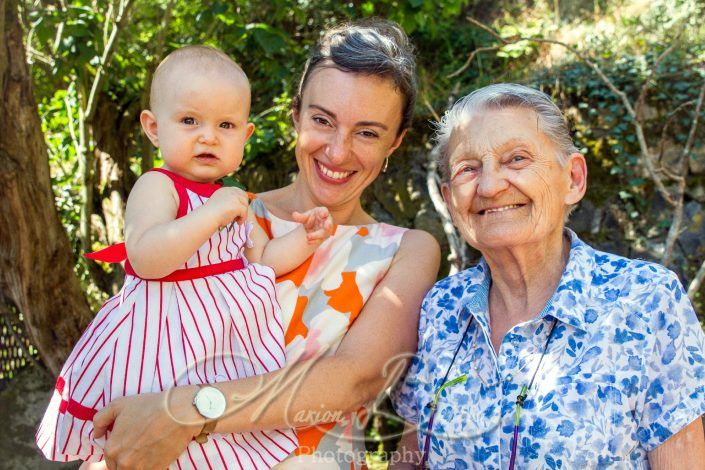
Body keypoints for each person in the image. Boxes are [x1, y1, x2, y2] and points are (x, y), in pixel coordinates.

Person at [83, 20, 440, 469]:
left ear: (396, 142)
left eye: (367, 132)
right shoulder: (217, 216)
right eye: (322, 120)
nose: (337, 151)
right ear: (295, 116)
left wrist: (187, 411)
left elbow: (356, 379)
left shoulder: (406, 249)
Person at [36, 45, 336, 469]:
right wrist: (211, 214)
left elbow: (261, 260)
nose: (208, 135)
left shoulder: (233, 198)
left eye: (226, 125)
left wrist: (306, 239)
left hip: (222, 335)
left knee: (212, 440)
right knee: (164, 427)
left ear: (244, 138)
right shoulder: (158, 186)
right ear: (154, 128)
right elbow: (146, 257)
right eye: (190, 120)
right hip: (165, 329)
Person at [391, 83, 705, 469]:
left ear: (573, 178)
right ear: (450, 199)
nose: (489, 186)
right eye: (468, 169)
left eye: (517, 159)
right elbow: (410, 459)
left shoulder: (646, 301)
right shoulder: (440, 309)